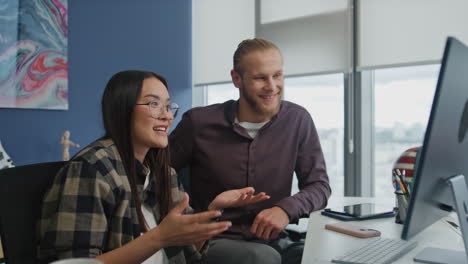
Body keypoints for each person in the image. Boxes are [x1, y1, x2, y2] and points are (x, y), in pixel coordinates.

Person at [37, 70, 269, 264]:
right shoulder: (92, 169)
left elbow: (189, 253)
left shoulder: (163, 173)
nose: (167, 116)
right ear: (124, 109)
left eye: (168, 106)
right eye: (153, 104)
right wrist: (158, 238)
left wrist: (214, 210)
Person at [169, 38, 332, 264]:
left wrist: (285, 210)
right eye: (260, 78)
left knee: (324, 256)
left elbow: (319, 185)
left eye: (277, 75)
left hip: (275, 241)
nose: (272, 86)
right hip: (212, 240)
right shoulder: (198, 123)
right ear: (237, 79)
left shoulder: (298, 120)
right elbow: (156, 175)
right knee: (261, 259)